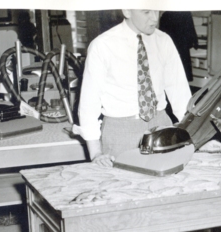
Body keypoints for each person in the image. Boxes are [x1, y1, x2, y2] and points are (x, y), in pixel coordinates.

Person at [74, 9, 192, 167]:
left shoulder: (164, 41)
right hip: (120, 133)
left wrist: (197, 138)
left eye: (158, 11)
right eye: (146, 12)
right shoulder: (102, 45)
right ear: (127, 11)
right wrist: (96, 153)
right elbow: (89, 104)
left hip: (162, 127)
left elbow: (181, 95)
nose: (154, 18)